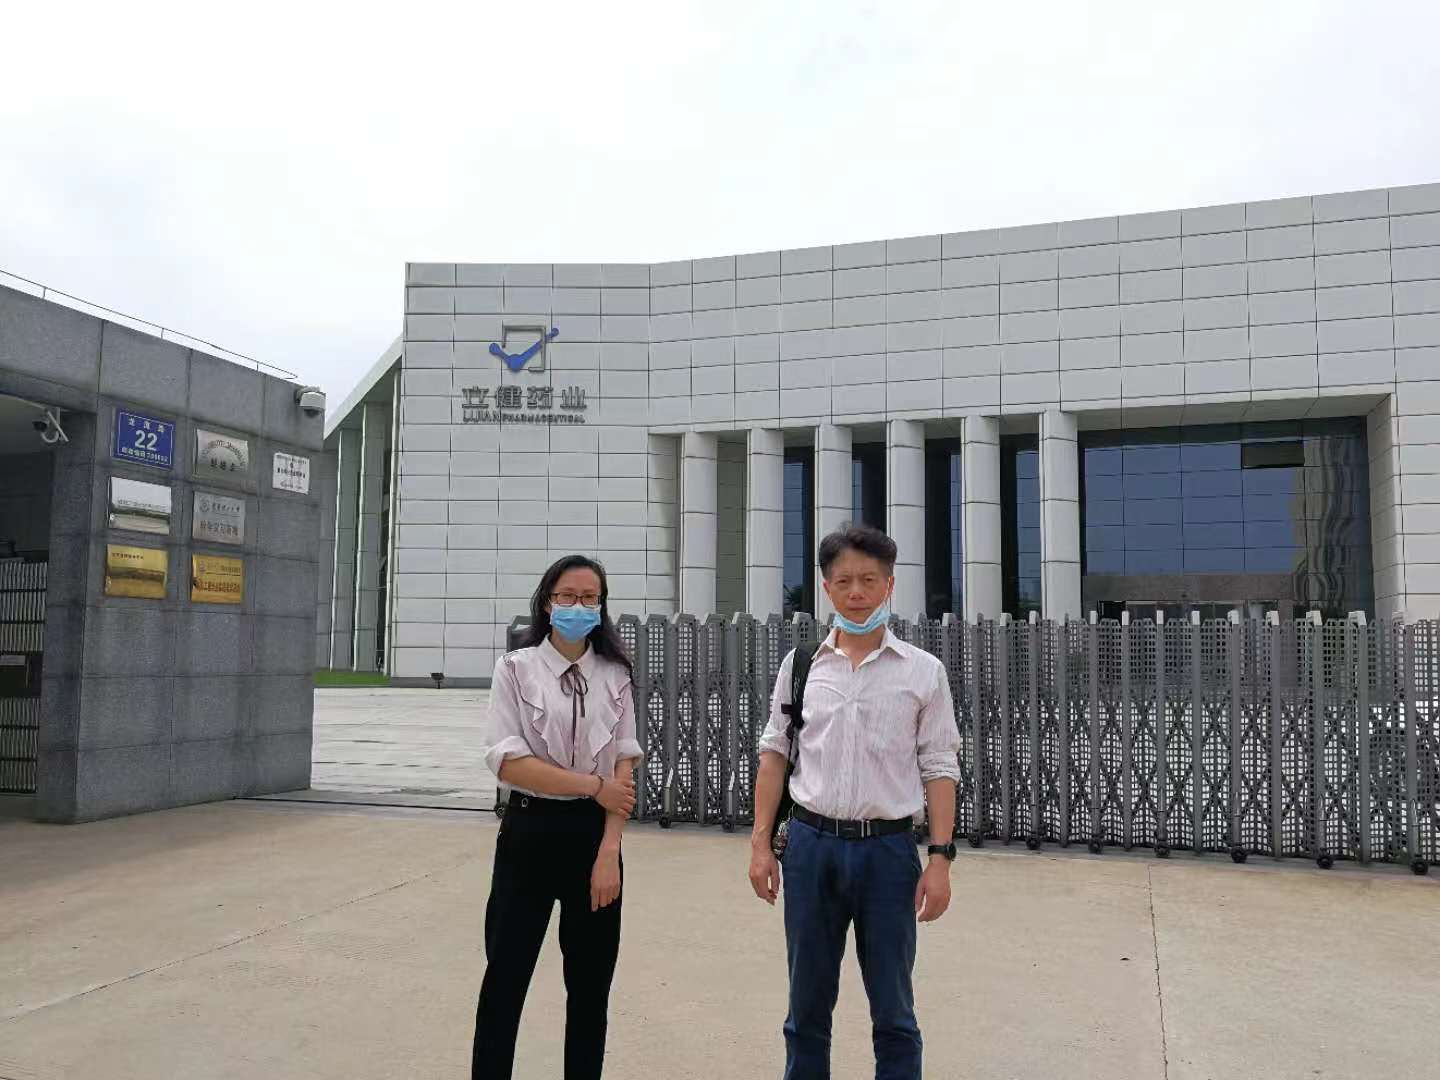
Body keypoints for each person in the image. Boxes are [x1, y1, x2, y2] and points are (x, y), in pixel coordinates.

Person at [748, 524, 961, 1080]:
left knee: (894, 1010)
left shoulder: (922, 672)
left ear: (890, 585)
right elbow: (774, 753)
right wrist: (760, 845)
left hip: (887, 853)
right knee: (806, 1007)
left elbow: (940, 767)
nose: (857, 592)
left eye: (869, 580)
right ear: (827, 588)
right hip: (810, 847)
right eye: (843, 581)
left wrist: (940, 859)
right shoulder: (801, 666)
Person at [473, 554, 641, 1080]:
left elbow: (624, 763)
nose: (578, 606)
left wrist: (609, 851)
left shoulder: (615, 674)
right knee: (506, 978)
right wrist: (593, 786)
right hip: (529, 830)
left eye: (590, 598)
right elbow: (510, 763)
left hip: (595, 838)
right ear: (547, 602)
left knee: (590, 988)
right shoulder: (515, 669)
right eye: (567, 596)